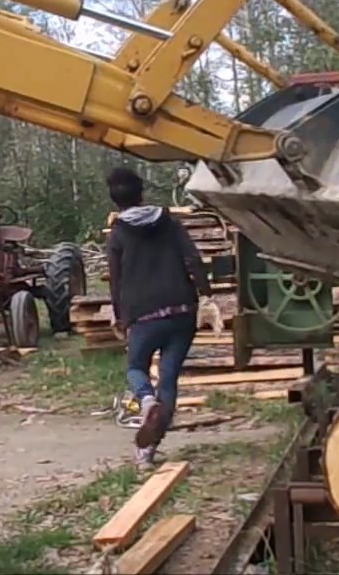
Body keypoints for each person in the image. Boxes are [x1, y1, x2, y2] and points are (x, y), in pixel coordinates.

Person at [105, 166, 213, 469]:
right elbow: (192, 258)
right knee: (168, 378)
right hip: (181, 310)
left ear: (115, 200)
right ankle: (149, 448)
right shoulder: (170, 222)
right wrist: (206, 293)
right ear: (142, 194)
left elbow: (116, 281)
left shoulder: (118, 234)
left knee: (136, 368)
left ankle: (146, 403)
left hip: (143, 314)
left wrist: (120, 316)